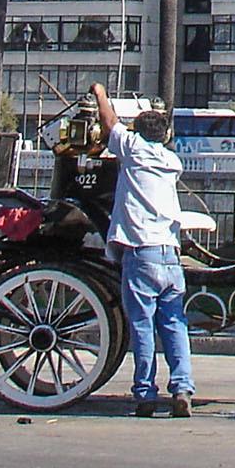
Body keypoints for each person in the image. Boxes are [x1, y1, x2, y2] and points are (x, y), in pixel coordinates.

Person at [92, 83, 195, 417]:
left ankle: (145, 392)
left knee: (142, 325)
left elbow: (109, 124)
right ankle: (182, 388)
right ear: (165, 136)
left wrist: (100, 93)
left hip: (141, 252)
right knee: (175, 324)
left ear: (138, 131)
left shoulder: (133, 150)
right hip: (170, 253)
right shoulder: (171, 161)